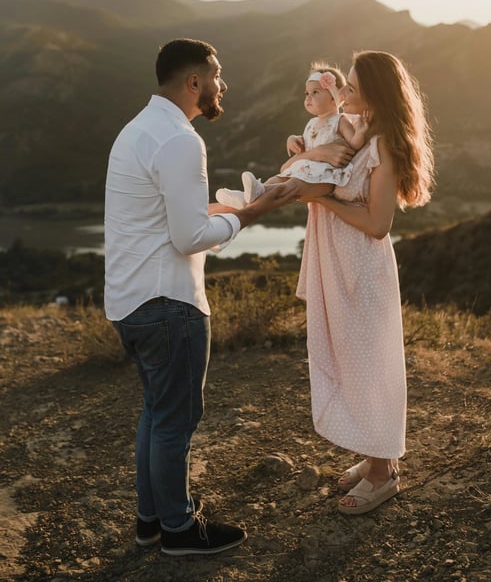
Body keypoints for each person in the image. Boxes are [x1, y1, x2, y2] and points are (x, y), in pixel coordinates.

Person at [104, 38, 299, 555]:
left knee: (156, 412)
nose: (222, 84)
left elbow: (170, 215)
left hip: (130, 301)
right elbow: (189, 237)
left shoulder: (138, 129)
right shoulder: (181, 140)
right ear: (194, 82)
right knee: (175, 421)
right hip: (169, 305)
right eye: (217, 74)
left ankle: (151, 521)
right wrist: (255, 214)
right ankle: (180, 530)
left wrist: (236, 207)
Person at [291, 50, 434, 515]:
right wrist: (303, 152)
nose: (343, 93)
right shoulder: (356, 131)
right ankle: (377, 455)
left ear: (374, 95)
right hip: (338, 262)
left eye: (351, 87)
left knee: (371, 365)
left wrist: (322, 200)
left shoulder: (384, 145)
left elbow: (377, 224)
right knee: (352, 362)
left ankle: (382, 472)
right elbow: (324, 159)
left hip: (363, 269)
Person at [215, 63, 369, 209]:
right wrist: (293, 140)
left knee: (292, 185)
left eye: (315, 92)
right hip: (305, 170)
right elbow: (307, 144)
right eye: (307, 93)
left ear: (334, 98)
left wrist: (361, 132)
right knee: (278, 178)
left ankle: (257, 194)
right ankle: (247, 196)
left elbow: (354, 144)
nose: (308, 97)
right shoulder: (312, 123)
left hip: (324, 177)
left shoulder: (340, 120)